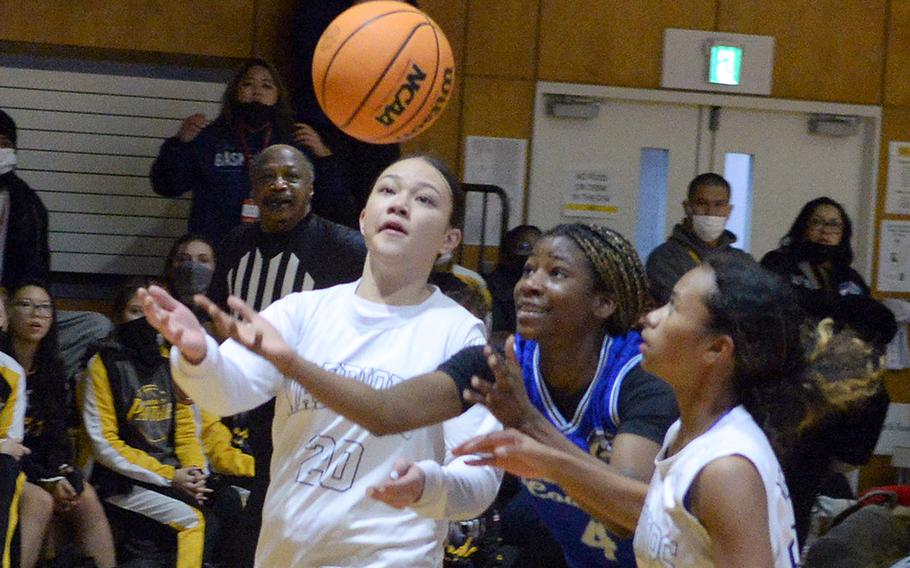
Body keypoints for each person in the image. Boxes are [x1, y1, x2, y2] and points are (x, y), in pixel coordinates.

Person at [193, 223, 678, 568]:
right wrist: (290, 361)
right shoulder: (499, 362)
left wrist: (531, 428)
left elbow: (631, 511)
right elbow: (387, 412)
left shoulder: (640, 378)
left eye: (556, 273)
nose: (530, 284)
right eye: (529, 270)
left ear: (604, 302)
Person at [142, 155, 501, 567]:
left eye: (423, 199)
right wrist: (197, 352)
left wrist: (428, 486)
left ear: (449, 240)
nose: (399, 204)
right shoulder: (300, 311)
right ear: (364, 218)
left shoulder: (458, 332)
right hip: (285, 555)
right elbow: (225, 394)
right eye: (388, 190)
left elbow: (479, 479)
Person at [456, 254, 884, 567]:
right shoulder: (687, 433)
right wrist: (544, 456)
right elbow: (649, 512)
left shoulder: (727, 467)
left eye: (673, 307)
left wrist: (547, 455)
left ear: (717, 349)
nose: (650, 317)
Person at [205, 143, 366, 567]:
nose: (279, 185)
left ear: (311, 188)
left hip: (319, 410)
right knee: (266, 515)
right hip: (256, 407)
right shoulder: (235, 245)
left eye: (291, 176)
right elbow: (219, 318)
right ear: (253, 191)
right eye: (267, 177)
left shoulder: (346, 249)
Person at [761, 197, 895, 546]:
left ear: (844, 232)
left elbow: (879, 323)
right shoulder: (778, 265)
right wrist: (842, 309)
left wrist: (832, 308)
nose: (824, 231)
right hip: (787, 396)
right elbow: (782, 309)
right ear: (803, 226)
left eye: (833, 224)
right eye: (817, 222)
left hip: (834, 396)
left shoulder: (850, 279)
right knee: (778, 495)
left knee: (876, 398)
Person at [80, 278, 227, 568]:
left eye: (154, 313)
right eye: (136, 311)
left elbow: (187, 429)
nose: (146, 321)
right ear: (118, 316)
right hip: (118, 479)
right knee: (194, 521)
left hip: (172, 474)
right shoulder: (101, 364)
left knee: (228, 503)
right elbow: (104, 444)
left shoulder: (171, 361)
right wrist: (169, 476)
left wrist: (195, 473)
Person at [150, 59, 357, 240]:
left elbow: (334, 202)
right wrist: (180, 145)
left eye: (267, 86)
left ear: (278, 95)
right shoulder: (210, 137)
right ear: (235, 91)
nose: (257, 91)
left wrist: (324, 157)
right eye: (248, 84)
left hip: (280, 244)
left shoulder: (295, 139)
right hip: (217, 246)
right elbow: (167, 186)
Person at [3, 282, 116, 568]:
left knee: (85, 494)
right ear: (7, 312)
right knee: (39, 500)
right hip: (11, 462)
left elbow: (55, 437)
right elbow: (13, 443)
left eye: (43, 307)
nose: (35, 314)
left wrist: (63, 472)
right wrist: (46, 480)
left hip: (39, 465)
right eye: (25, 305)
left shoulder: (52, 369)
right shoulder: (5, 367)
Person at [646, 173, 750, 304]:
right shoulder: (665, 258)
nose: (710, 212)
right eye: (702, 203)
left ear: (728, 210)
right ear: (687, 207)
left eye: (719, 205)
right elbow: (678, 311)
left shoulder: (742, 261)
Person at [0, 109, 50, 290]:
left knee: (94, 320)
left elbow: (37, 267)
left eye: (5, 144)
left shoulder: (28, 202)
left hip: (11, 300)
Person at [487, 224, 541, 333]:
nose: (532, 254)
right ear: (506, 253)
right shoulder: (489, 290)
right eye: (525, 247)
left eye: (538, 248)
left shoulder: (544, 289)